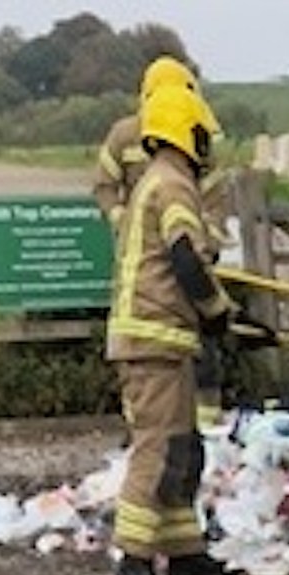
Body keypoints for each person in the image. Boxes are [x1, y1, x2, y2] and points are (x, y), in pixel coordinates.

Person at [106, 81, 237, 575]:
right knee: (157, 446)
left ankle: (184, 550)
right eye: (203, 135)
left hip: (163, 337)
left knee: (183, 445)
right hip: (153, 339)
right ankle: (133, 558)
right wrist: (217, 311)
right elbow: (187, 259)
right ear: (188, 133)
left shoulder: (157, 180)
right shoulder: (173, 186)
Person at [95, 56, 226, 432]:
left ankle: (202, 431)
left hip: (181, 270)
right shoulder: (132, 144)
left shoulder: (185, 156)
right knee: (157, 429)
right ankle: (159, 431)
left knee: (199, 360)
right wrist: (124, 222)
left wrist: (207, 247)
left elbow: (214, 205)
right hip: (157, 275)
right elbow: (104, 186)